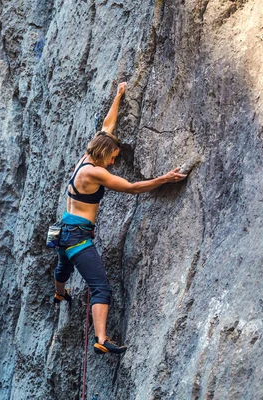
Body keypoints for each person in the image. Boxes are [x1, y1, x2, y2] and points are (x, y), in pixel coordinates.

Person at [53, 82, 187, 354]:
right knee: (101, 288)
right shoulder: (95, 173)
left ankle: (58, 292)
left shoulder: (86, 157)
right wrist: (165, 179)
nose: (114, 162)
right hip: (78, 238)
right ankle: (101, 339)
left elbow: (107, 125)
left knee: (64, 266)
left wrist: (118, 95)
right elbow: (132, 188)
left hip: (64, 231)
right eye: (113, 157)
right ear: (104, 154)